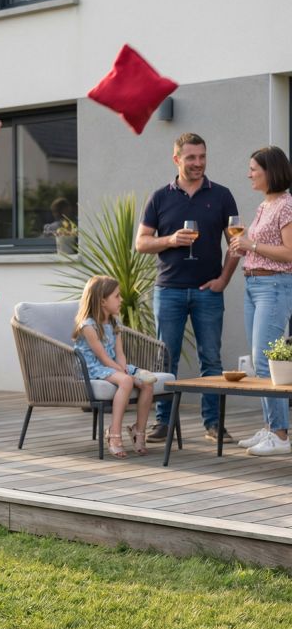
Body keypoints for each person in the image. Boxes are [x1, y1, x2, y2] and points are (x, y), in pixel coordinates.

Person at [135, 132, 239, 443]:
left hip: (208, 292)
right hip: (169, 290)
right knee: (165, 360)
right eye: (191, 157)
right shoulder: (159, 197)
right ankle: (163, 423)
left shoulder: (222, 195)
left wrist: (224, 280)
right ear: (176, 159)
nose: (198, 163)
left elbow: (236, 244)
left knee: (212, 359)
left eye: (202, 156)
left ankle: (213, 424)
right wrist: (169, 240)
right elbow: (141, 243)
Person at [229, 146, 292, 456]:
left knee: (268, 360)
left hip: (274, 286)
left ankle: (280, 435)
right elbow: (261, 245)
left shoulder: (286, 205)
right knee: (259, 360)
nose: (249, 174)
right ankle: (270, 427)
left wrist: (251, 244)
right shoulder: (264, 205)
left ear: (271, 171)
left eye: (254, 169)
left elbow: (289, 253)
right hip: (254, 285)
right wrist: (244, 248)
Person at [72, 276, 156, 458]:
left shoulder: (114, 323)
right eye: (117, 296)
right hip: (93, 367)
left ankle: (138, 430)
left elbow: (120, 353)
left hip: (112, 364)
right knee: (126, 381)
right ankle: (114, 433)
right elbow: (102, 357)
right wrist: (124, 374)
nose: (121, 300)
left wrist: (123, 368)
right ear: (102, 301)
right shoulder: (88, 326)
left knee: (147, 384)